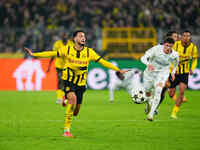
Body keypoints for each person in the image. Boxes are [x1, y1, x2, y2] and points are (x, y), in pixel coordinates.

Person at [24, 30, 127, 137]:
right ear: (75, 39)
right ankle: (66, 131)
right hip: (68, 80)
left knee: (76, 112)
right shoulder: (67, 49)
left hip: (81, 84)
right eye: (81, 36)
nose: (84, 38)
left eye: (84, 36)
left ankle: (66, 97)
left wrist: (117, 69)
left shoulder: (89, 52)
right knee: (72, 100)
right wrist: (34, 54)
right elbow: (51, 53)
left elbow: (103, 62)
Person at [141, 37, 179, 121]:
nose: (168, 48)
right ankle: (148, 103)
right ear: (163, 45)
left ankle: (151, 115)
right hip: (150, 74)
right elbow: (143, 58)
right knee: (147, 91)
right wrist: (148, 64)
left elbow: (176, 64)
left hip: (162, 74)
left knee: (158, 90)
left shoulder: (175, 54)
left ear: (173, 46)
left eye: (170, 46)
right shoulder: (156, 49)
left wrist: (173, 72)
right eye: (167, 45)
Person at [169, 30, 198, 119]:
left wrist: (192, 69)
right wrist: (171, 71)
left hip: (184, 73)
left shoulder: (193, 47)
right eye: (184, 35)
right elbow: (169, 58)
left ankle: (174, 113)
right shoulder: (176, 45)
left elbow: (195, 59)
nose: (186, 37)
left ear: (190, 37)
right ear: (181, 37)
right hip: (174, 72)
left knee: (181, 92)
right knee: (171, 94)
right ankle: (172, 94)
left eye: (188, 36)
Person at [46, 32, 74, 104]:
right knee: (60, 81)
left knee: (67, 82)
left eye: (65, 36)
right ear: (61, 37)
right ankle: (59, 98)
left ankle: (66, 97)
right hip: (59, 65)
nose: (64, 37)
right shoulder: (57, 44)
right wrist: (49, 66)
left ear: (67, 37)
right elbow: (53, 55)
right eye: (63, 36)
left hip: (68, 66)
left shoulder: (71, 44)